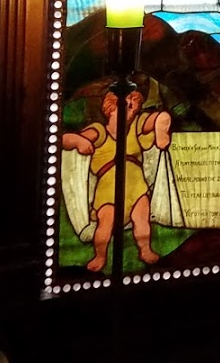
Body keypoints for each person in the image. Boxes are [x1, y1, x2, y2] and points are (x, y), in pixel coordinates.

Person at [61, 88, 172, 272]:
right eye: (127, 103)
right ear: (110, 108)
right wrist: (80, 142)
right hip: (108, 191)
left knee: (142, 219)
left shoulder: (136, 127)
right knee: (105, 224)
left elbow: (160, 118)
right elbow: (65, 139)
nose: (132, 107)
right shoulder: (99, 132)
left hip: (137, 187)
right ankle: (100, 256)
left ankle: (145, 250)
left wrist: (161, 130)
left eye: (135, 104)